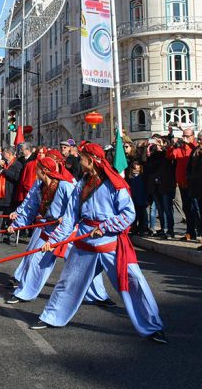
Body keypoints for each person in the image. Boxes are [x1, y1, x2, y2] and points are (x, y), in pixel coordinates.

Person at [31, 144, 167, 344]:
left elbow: (128, 214)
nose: (79, 161)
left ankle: (152, 326)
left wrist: (105, 226)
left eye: (82, 157)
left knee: (134, 282)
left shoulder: (114, 184)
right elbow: (70, 217)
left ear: (92, 159)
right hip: (85, 239)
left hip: (110, 242)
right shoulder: (81, 184)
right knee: (68, 281)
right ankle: (52, 317)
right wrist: (53, 241)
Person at [6, 155, 110, 305]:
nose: (35, 171)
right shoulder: (39, 186)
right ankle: (24, 292)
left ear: (45, 171)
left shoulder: (65, 186)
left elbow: (78, 205)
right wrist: (16, 225)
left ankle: (98, 296)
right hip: (48, 229)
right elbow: (31, 209)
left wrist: (66, 217)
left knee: (81, 264)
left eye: (38, 169)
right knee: (36, 260)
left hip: (68, 231)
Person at [167, 128, 199, 240]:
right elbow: (170, 156)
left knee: (195, 208)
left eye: (188, 135)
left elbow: (197, 151)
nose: (185, 137)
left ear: (193, 136)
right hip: (181, 182)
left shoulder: (195, 146)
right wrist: (172, 145)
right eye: (183, 135)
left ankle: (197, 231)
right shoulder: (180, 148)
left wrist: (189, 143)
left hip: (193, 182)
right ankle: (190, 232)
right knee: (186, 208)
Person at [0, 146, 23, 241]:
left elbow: (16, 177)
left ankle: (11, 237)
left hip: (11, 195)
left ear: (9, 154)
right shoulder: (1, 163)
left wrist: (4, 171)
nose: (3, 155)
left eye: (4, 153)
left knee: (10, 218)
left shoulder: (17, 164)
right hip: (0, 195)